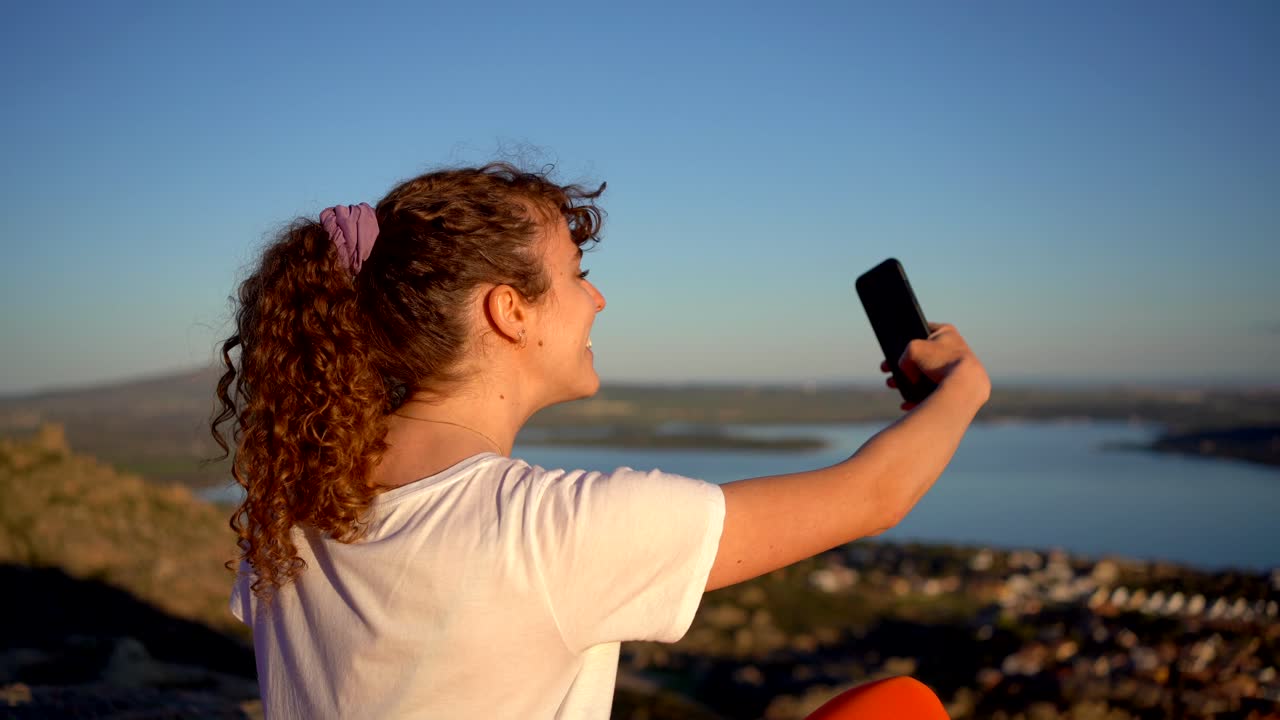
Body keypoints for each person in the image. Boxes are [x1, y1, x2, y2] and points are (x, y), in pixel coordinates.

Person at [213, 162, 988, 719]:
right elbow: (876, 495)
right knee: (901, 707)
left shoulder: (296, 504)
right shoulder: (548, 533)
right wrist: (962, 391)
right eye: (578, 273)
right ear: (510, 312)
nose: (599, 298)